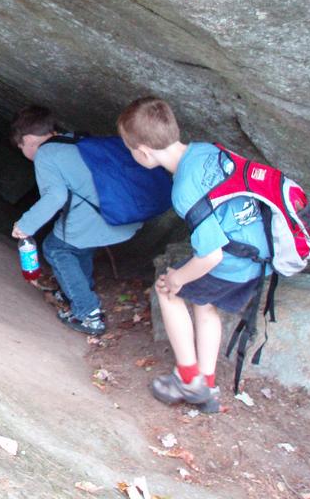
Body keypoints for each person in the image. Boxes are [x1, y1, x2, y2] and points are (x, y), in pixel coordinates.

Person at [117, 96, 268, 413]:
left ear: (144, 152)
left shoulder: (184, 189)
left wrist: (176, 278)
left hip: (233, 260)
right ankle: (207, 384)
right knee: (204, 302)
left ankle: (189, 379)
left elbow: (210, 257)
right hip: (259, 253)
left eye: (131, 149)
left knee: (168, 290)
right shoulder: (206, 150)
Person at [10, 105, 142, 336]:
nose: (24, 152)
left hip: (103, 217)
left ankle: (88, 313)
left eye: (21, 146)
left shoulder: (46, 154)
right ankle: (78, 288)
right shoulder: (75, 139)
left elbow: (56, 196)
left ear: (29, 139)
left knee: (55, 248)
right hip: (126, 212)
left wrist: (25, 225)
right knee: (75, 241)